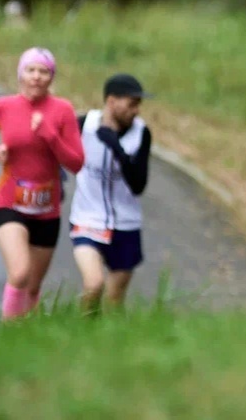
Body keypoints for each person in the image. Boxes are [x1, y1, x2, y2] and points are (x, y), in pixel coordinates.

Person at [0, 47, 84, 320]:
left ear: (51, 77)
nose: (36, 77)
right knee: (20, 273)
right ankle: (7, 337)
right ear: (21, 74)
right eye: (30, 70)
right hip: (8, 203)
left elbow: (77, 162)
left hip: (47, 211)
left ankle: (24, 337)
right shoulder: (3, 107)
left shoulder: (63, 110)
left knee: (33, 287)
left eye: (43, 71)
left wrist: (51, 136)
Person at [69, 73, 153, 315]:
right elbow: (56, 147)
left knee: (115, 301)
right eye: (131, 103)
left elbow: (138, 184)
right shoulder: (84, 125)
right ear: (111, 101)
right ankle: (83, 334)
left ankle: (103, 344)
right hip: (87, 220)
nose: (136, 110)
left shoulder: (141, 134)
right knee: (93, 284)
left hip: (126, 225)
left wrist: (116, 147)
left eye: (139, 104)